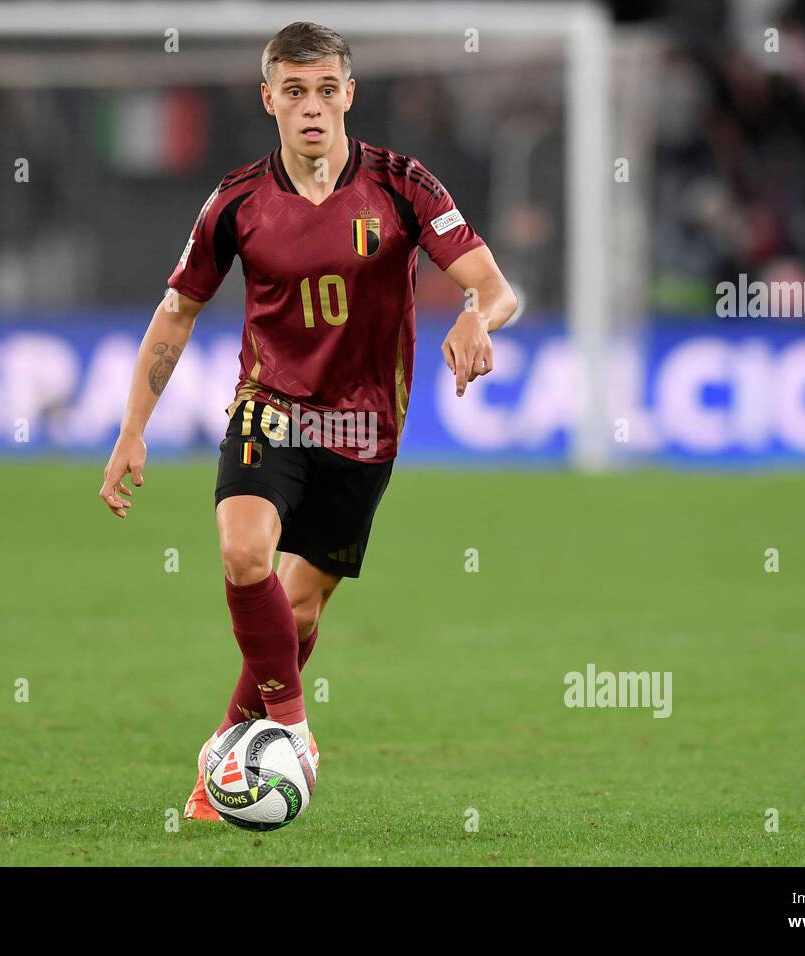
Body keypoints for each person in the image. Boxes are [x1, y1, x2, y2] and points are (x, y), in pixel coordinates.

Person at [97, 21, 517, 820]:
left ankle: (222, 758)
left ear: (349, 95)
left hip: (365, 429)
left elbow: (495, 285)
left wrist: (477, 315)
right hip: (270, 409)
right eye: (295, 92)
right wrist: (131, 428)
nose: (313, 107)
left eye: (327, 90)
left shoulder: (402, 185)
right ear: (269, 101)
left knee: (296, 614)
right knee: (243, 552)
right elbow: (177, 313)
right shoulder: (236, 202)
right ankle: (293, 728)